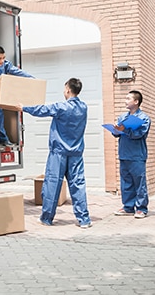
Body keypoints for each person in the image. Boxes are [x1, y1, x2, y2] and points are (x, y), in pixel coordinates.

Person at [16, 78, 92, 228]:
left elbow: (42, 110)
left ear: (68, 90)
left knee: (52, 184)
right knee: (78, 185)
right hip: (76, 153)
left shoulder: (61, 107)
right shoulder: (83, 107)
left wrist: (23, 108)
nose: (64, 92)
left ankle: (47, 218)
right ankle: (84, 220)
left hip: (59, 153)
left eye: (65, 89)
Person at [112, 90, 151, 219]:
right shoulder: (122, 117)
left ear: (136, 101)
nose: (125, 100)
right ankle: (128, 207)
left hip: (137, 156)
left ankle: (141, 208)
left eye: (128, 98)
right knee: (126, 182)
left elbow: (139, 134)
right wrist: (116, 130)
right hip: (124, 154)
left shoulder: (144, 118)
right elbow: (116, 134)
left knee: (139, 183)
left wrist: (125, 130)